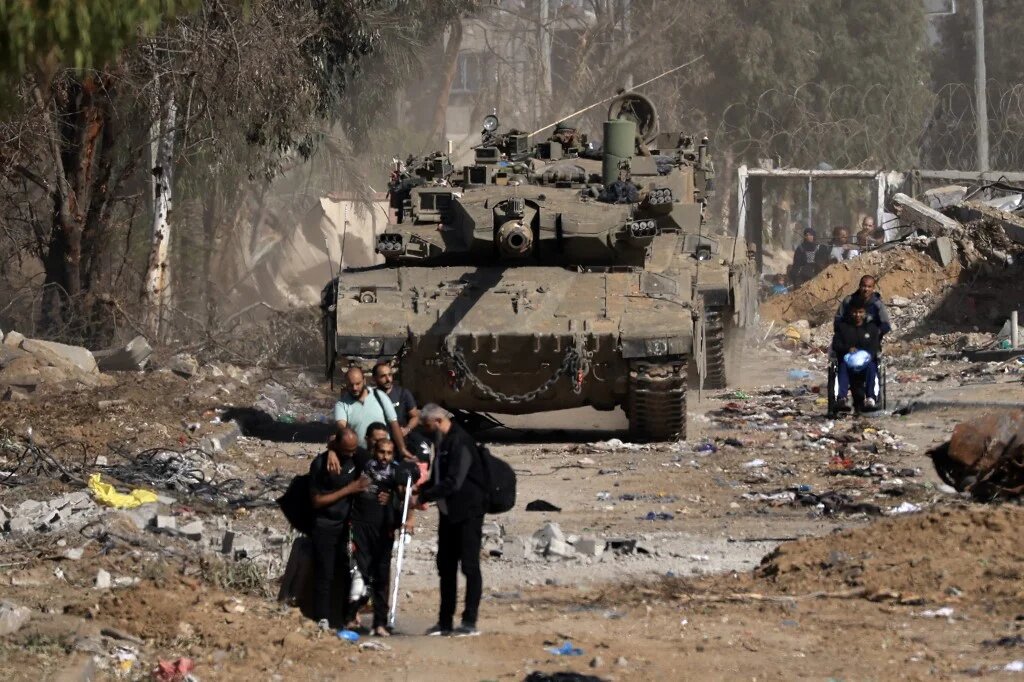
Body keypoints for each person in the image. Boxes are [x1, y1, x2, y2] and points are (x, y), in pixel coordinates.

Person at [415, 404, 487, 637]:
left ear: (437, 421)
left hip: (467, 514)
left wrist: (425, 495)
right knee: (446, 567)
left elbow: (454, 482)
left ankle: (469, 622)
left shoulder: (460, 441)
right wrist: (420, 489)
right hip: (448, 514)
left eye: (426, 427)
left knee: (469, 566)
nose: (425, 432)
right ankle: (444, 622)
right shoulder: (443, 442)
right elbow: (439, 477)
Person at [348, 438, 416, 636]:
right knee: (359, 573)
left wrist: (408, 518)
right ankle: (351, 616)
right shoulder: (363, 466)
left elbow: (408, 497)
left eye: (388, 453)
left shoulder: (396, 473)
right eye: (381, 452)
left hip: (383, 530)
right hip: (360, 526)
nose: (384, 457)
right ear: (374, 451)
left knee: (381, 577)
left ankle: (380, 623)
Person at [308, 428, 370, 630]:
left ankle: (344, 617)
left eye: (353, 450)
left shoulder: (355, 456)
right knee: (324, 572)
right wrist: (348, 489)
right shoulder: (320, 464)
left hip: (345, 526)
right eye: (347, 451)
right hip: (325, 526)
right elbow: (317, 501)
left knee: (345, 571)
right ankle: (322, 618)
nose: (352, 455)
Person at [332, 367, 411, 471]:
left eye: (358, 384)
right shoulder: (342, 404)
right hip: (359, 457)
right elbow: (341, 427)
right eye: (351, 385)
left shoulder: (379, 396)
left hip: (383, 455)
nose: (355, 388)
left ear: (364, 380)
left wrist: (402, 449)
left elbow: (393, 423)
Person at [832, 303, 881, 410]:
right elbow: (836, 345)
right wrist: (847, 349)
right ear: (850, 313)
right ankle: (842, 398)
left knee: (872, 366)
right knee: (842, 365)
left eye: (860, 312)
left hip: (866, 363)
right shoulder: (843, 328)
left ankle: (870, 398)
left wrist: (866, 355)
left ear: (865, 313)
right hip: (847, 362)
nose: (857, 315)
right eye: (855, 312)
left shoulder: (871, 329)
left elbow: (875, 347)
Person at [373, 362, 420, 437]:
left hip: (400, 438)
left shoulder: (403, 393)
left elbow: (415, 416)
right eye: (383, 376)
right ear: (374, 378)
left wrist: (407, 429)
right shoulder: (371, 397)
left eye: (390, 375)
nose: (388, 379)